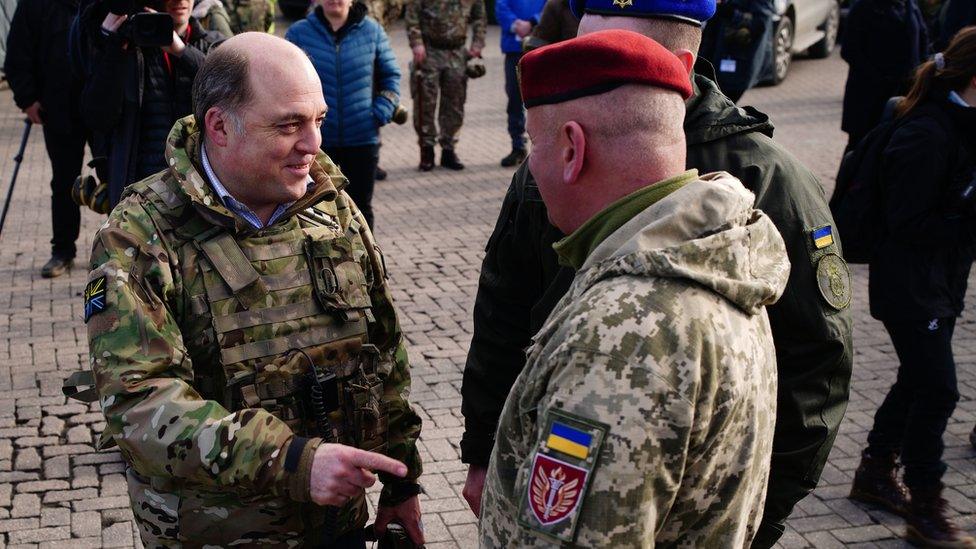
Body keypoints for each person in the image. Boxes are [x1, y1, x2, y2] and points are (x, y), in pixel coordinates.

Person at [460, 1, 855, 547]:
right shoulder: (726, 232)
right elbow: (503, 305)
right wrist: (485, 451)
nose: (533, 165)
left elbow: (817, 368)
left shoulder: (618, 334)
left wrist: (763, 514)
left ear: (572, 148)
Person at [79, 33, 424, 547]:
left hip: (338, 523)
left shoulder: (332, 208)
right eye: (289, 125)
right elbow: (140, 406)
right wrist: (287, 461)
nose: (314, 145)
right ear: (219, 125)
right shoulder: (140, 234)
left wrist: (402, 480)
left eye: (319, 121)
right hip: (218, 534)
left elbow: (384, 351)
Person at [850, 27, 976, 549]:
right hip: (909, 283)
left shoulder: (964, 124)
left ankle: (875, 471)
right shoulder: (926, 132)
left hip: (940, 280)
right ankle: (926, 506)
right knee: (939, 388)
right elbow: (907, 223)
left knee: (918, 378)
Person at [79, 0, 222, 207]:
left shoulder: (212, 46)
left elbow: (232, 92)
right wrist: (112, 50)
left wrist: (182, 52)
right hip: (141, 191)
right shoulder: (129, 49)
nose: (179, 0)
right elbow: (98, 117)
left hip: (202, 189)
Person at [286, 0, 401, 230]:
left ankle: (366, 261)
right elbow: (284, 81)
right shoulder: (299, 33)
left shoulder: (372, 30)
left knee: (360, 209)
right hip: (315, 142)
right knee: (311, 208)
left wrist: (380, 112)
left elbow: (391, 76)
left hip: (362, 137)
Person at [4, 0, 88, 277]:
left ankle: (122, 247)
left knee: (118, 179)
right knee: (64, 181)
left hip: (108, 108)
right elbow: (17, 55)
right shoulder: (35, 4)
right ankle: (63, 250)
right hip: (59, 108)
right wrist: (27, 98)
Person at [404, 0, 486, 171]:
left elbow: (479, 16)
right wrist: (417, 42)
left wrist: (477, 44)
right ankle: (427, 150)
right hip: (429, 52)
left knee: (455, 104)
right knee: (425, 103)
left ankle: (449, 149)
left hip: (457, 52)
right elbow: (412, 14)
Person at [840, 0, 929, 150]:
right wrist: (880, 77)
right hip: (869, 98)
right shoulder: (864, 7)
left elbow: (923, 38)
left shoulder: (909, 4)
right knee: (861, 149)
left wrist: (920, 75)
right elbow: (849, 50)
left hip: (905, 93)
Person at [496, 0, 544, 167]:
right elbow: (501, 6)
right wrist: (516, 25)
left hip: (541, 50)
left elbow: (554, 6)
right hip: (513, 50)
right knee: (514, 99)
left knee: (543, 101)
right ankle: (518, 146)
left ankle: (544, 149)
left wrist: (533, 22)